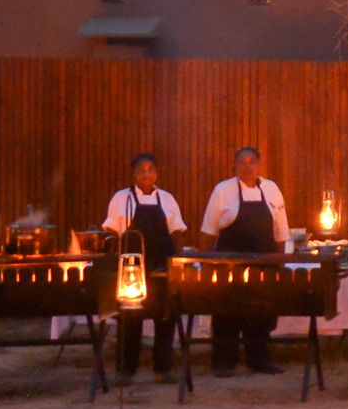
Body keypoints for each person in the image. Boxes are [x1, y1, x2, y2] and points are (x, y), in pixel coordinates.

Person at [196, 145, 291, 377]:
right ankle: (223, 361)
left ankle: (259, 360)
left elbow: (281, 230)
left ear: (259, 165)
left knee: (261, 311)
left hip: (263, 264)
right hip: (229, 265)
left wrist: (279, 262)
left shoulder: (272, 189)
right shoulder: (223, 190)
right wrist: (206, 263)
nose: (247, 167)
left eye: (251, 162)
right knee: (227, 311)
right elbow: (208, 231)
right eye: (242, 162)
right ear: (235, 166)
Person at [102, 152, 188, 381]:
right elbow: (111, 233)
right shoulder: (122, 198)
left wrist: (179, 262)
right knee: (130, 318)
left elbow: (177, 233)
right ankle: (126, 371)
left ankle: (163, 369)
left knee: (165, 316)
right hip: (131, 269)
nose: (146, 174)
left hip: (162, 267)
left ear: (156, 173)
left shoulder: (167, 199)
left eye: (150, 170)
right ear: (134, 173)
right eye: (141, 170)